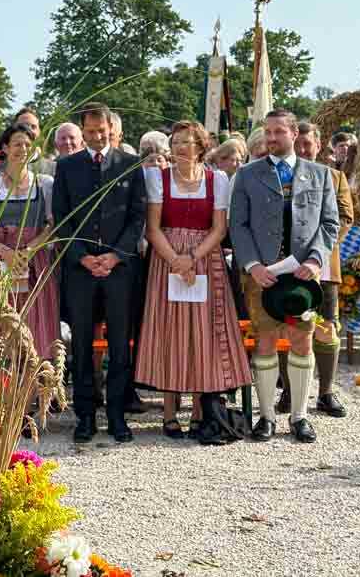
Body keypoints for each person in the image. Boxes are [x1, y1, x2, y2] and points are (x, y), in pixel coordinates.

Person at [135, 121, 250, 443]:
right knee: (169, 331)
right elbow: (153, 228)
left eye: (188, 142)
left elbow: (219, 228)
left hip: (205, 260)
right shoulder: (158, 178)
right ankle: (169, 412)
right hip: (166, 259)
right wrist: (176, 260)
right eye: (177, 142)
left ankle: (201, 412)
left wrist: (193, 257)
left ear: (201, 146)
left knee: (204, 333)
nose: (182, 148)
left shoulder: (217, 179)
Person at [230, 109, 340, 443]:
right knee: (264, 341)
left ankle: (299, 417)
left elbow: (330, 223)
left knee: (302, 340)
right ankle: (265, 417)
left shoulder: (320, 174)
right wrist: (253, 265)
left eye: (278, 131)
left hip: (303, 275)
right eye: (268, 131)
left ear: (294, 133)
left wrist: (317, 260)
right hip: (262, 275)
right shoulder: (247, 174)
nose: (271, 137)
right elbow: (238, 225)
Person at [54, 102, 147, 444]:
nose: (96, 137)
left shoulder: (129, 164)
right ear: (83, 131)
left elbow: (137, 216)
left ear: (112, 129)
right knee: (81, 345)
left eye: (102, 131)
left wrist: (115, 255)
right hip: (80, 271)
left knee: (120, 345)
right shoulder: (67, 166)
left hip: (119, 270)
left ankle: (118, 415)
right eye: (90, 131)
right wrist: (81, 258)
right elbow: (62, 218)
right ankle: (85, 416)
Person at [275, 122, 354, 419]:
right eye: (299, 144)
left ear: (319, 146)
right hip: (288, 266)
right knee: (287, 326)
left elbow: (345, 218)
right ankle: (289, 390)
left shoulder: (335, 176)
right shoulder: (281, 177)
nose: (303, 149)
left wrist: (317, 250)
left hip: (324, 267)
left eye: (308, 144)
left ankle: (326, 393)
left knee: (326, 328)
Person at [0, 124, 59, 359]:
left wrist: (29, 249)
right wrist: (5, 252)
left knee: (37, 318)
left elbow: (52, 225)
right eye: (17, 144)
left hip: (34, 259)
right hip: (0, 260)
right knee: (2, 317)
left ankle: (37, 377)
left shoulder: (44, 183)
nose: (23, 149)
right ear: (5, 147)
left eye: (28, 144)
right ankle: (3, 377)